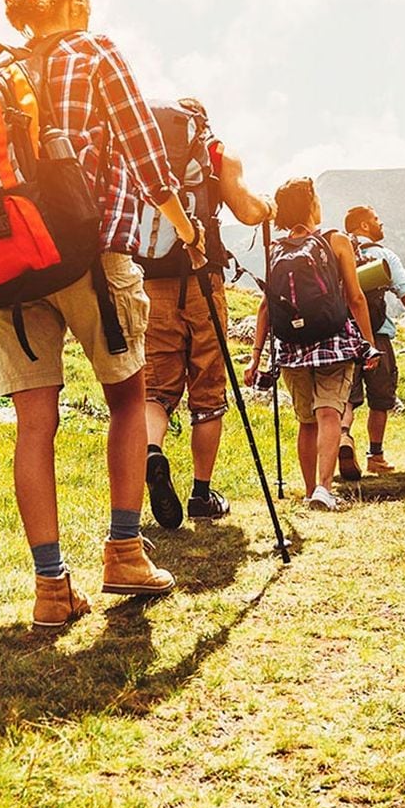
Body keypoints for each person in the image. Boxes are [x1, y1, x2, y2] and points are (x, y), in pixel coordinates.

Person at [0, 0, 201, 627]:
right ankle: (124, 554)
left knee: (34, 424)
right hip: (87, 252)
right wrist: (183, 227)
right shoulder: (94, 50)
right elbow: (146, 154)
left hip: (7, 267)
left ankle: (52, 589)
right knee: (129, 398)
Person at [142, 98, 275, 529]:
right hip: (202, 276)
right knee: (208, 388)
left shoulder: (145, 146)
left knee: (155, 389)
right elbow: (248, 210)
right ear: (201, 123)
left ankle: (152, 453)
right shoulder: (216, 152)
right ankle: (202, 493)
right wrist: (268, 206)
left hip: (150, 279)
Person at [244, 177, 379, 511]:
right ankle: (324, 488)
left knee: (306, 421)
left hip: (290, 347)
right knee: (329, 411)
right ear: (311, 204)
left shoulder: (274, 249)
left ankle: (308, 492)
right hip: (334, 341)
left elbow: (266, 306)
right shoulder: (336, 240)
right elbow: (356, 297)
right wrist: (368, 345)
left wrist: (256, 357)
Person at [338, 205, 405, 479]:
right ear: (364, 226)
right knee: (381, 397)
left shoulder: (337, 255)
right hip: (376, 335)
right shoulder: (382, 256)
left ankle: (343, 437)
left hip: (342, 336)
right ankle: (375, 456)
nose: (382, 224)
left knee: (346, 397)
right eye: (377, 220)